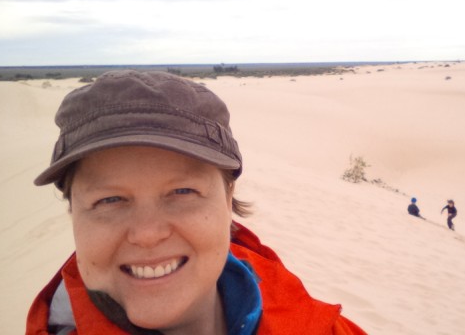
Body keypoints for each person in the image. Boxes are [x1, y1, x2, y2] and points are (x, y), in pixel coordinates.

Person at [26, 70, 366, 335]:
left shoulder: (322, 325)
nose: (147, 233)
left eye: (183, 192)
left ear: (228, 197)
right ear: (74, 214)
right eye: (110, 199)